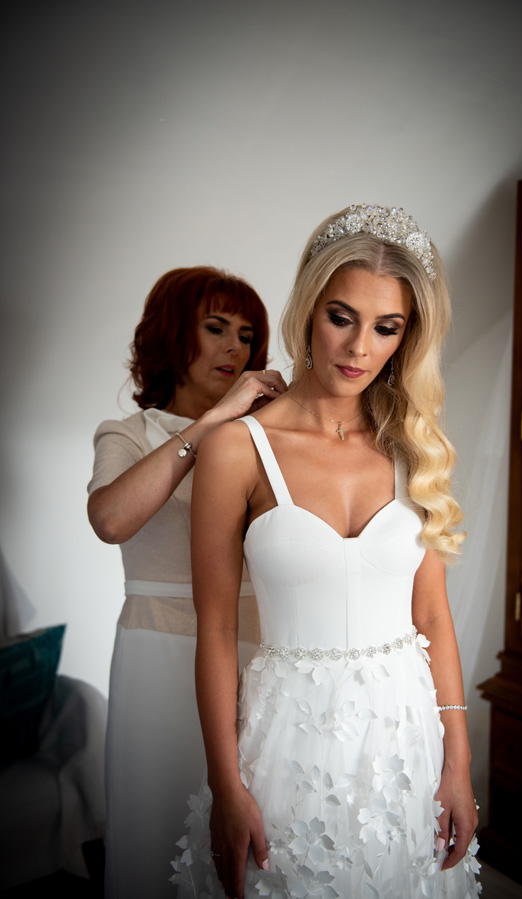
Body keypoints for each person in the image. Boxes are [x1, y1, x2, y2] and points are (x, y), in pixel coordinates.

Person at [172, 207, 480, 899]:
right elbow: (216, 628)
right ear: (309, 309)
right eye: (341, 317)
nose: (359, 347)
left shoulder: (414, 446)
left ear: (408, 336)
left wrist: (459, 763)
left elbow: (433, 616)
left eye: (386, 327)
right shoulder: (237, 449)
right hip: (287, 744)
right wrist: (226, 783)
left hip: (406, 739)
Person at [87, 266, 287, 899]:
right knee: (159, 829)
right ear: (174, 334)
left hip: (257, 653)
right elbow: (111, 520)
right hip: (158, 654)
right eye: (216, 328)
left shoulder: (264, 441)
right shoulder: (127, 434)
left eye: (247, 335)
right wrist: (212, 421)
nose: (235, 348)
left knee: (253, 841)